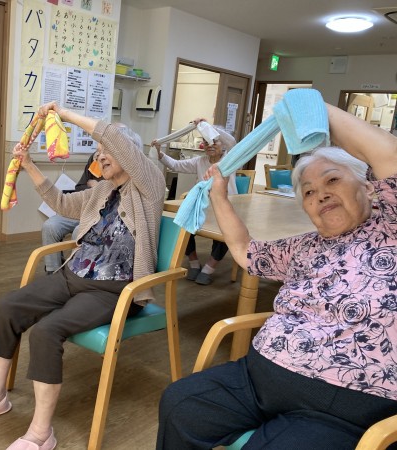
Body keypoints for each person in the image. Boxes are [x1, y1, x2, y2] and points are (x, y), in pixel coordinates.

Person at [157, 104, 397, 449]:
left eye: (332, 180)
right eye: (309, 192)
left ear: (369, 187)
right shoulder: (303, 246)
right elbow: (244, 251)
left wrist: (312, 106)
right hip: (258, 377)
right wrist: (219, 195)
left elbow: (389, 154)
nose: (320, 194)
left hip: (341, 404)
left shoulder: (391, 230)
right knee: (182, 404)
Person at [0, 102, 166, 450]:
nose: (101, 156)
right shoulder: (102, 190)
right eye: (98, 151)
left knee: (47, 331)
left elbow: (112, 135)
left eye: (106, 150)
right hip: (72, 276)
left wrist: (63, 114)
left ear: (130, 154)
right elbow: (63, 204)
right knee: (9, 306)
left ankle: (40, 432)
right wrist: (29, 165)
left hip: (114, 290)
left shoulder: (149, 188)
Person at [151, 122, 237, 285]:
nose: (210, 145)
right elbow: (175, 165)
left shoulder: (230, 159)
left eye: (214, 141)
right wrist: (159, 152)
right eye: (206, 141)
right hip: (202, 207)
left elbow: (232, 142)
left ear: (223, 145)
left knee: (226, 233)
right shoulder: (200, 161)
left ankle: (209, 268)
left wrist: (208, 127)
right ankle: (194, 263)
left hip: (225, 207)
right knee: (182, 222)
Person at [42, 150, 102, 273]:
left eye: (103, 150)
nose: (99, 154)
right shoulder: (94, 159)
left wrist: (97, 186)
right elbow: (79, 187)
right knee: (50, 226)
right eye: (99, 150)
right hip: (82, 209)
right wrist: (95, 187)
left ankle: (75, 273)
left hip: (101, 214)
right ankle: (53, 272)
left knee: (78, 232)